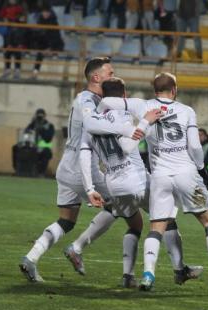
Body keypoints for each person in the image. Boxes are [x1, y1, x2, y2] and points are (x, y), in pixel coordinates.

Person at [103, 73, 208, 292]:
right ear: (174, 89)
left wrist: (133, 112)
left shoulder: (144, 106)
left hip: (160, 177)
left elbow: (108, 102)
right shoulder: (187, 111)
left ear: (154, 89)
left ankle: (148, 274)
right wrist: (200, 167)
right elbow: (196, 147)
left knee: (156, 228)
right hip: (186, 173)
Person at [71, 77, 203, 288]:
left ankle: (127, 276)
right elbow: (128, 146)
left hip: (114, 185)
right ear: (124, 95)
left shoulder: (91, 122)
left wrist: (89, 188)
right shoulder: (123, 116)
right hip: (137, 180)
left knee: (134, 224)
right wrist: (146, 121)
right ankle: (178, 270)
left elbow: (85, 157)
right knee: (167, 218)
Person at [19, 57, 137, 283]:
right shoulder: (87, 99)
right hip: (82, 167)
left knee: (67, 220)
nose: (113, 77)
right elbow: (95, 128)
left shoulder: (96, 100)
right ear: (96, 77)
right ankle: (78, 248)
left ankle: (31, 258)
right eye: (110, 73)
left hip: (67, 166)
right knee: (120, 205)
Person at [31, 5, 64, 78]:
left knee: (52, 51)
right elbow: (37, 37)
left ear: (50, 13)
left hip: (54, 45)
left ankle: (54, 54)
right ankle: (35, 72)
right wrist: (39, 48)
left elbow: (56, 38)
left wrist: (50, 48)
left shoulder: (54, 22)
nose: (45, 14)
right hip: (43, 45)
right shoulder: (39, 22)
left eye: (47, 12)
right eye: (44, 12)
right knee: (39, 54)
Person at [24, 108, 55, 176]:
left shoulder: (49, 126)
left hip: (44, 149)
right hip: (32, 148)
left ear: (44, 116)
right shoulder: (32, 125)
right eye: (38, 116)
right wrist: (32, 126)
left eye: (41, 116)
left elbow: (48, 139)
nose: (40, 118)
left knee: (45, 154)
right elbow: (26, 134)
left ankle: (41, 173)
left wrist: (41, 130)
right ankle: (28, 172)